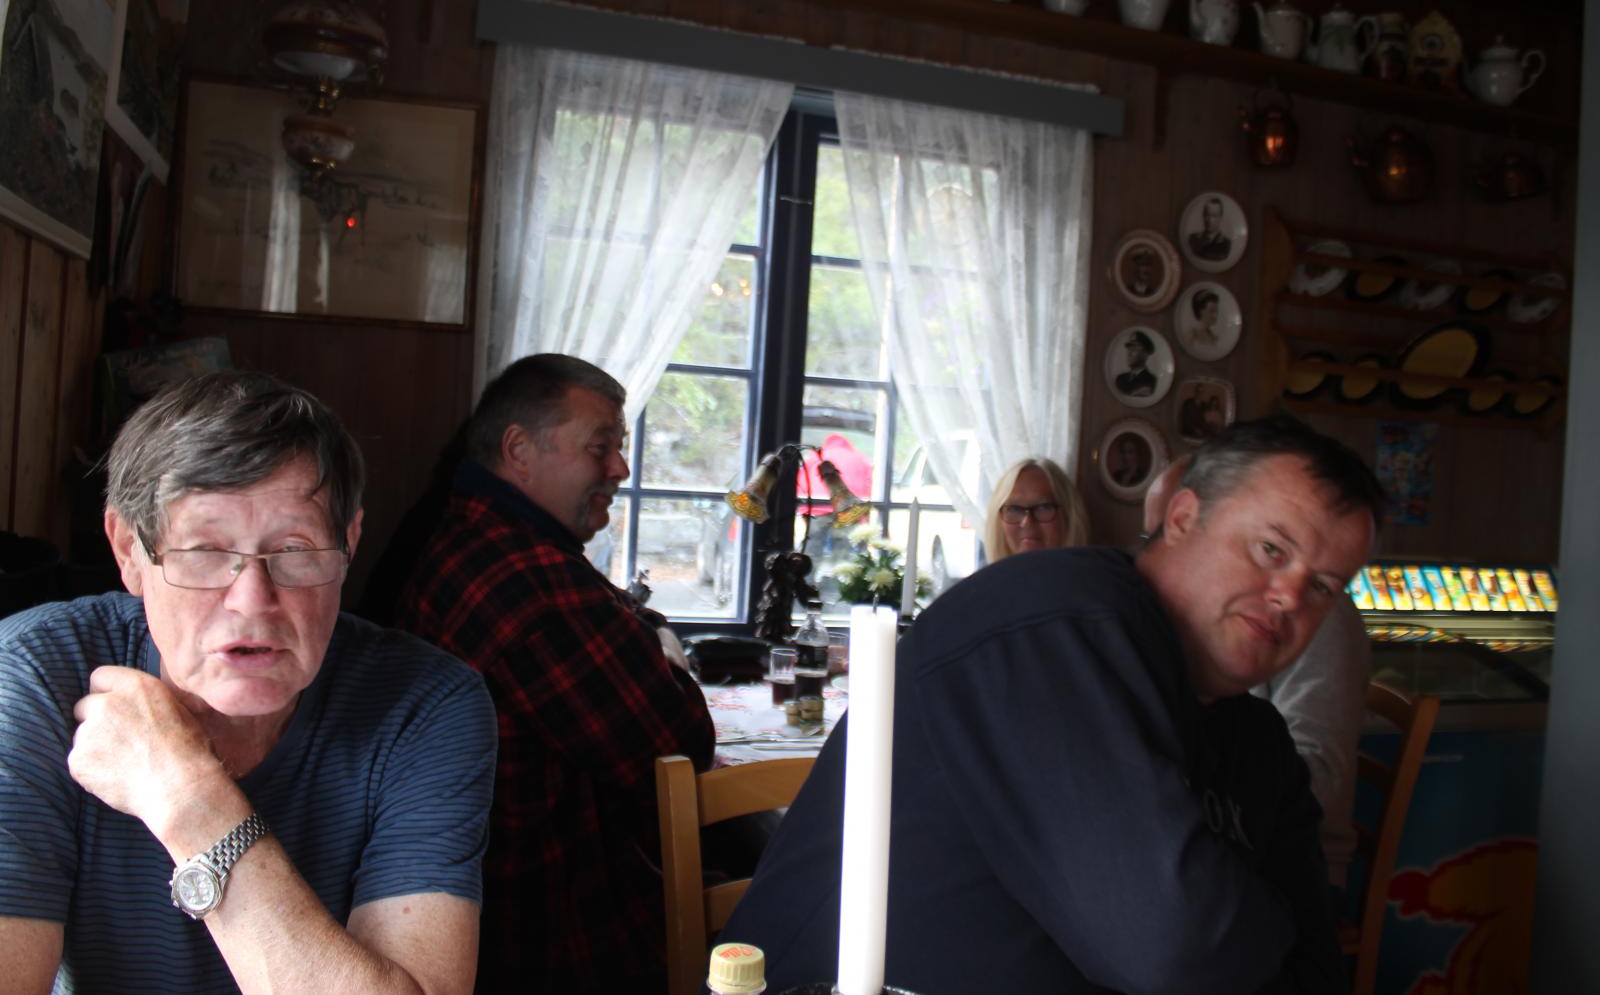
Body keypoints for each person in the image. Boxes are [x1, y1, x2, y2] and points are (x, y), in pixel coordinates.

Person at [721, 414, 1382, 993]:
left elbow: (1317, 972)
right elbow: (1167, 944)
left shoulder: (1260, 743)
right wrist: (1260, 918)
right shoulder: (1055, 621)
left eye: (1324, 586)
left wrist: (1223, 914)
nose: (1290, 596)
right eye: (1271, 550)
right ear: (1182, 518)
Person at [0, 372, 497, 994]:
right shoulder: (31, 674)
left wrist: (191, 798)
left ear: (347, 545)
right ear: (129, 552)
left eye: (293, 549)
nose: (253, 600)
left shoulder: (426, 705)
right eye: (205, 550)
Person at [395, 353, 715, 995]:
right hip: (561, 941)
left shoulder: (468, 535)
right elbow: (681, 749)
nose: (620, 468)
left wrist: (642, 632)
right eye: (601, 447)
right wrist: (659, 643)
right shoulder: (529, 581)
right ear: (519, 450)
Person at [1144, 452, 1372, 893]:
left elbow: (1321, 780)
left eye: (1270, 549)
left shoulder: (1313, 614)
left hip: (1291, 869)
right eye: (1149, 538)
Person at [981, 456, 1090, 564]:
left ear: (1069, 515)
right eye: (1015, 509)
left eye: (1043, 507)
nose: (1027, 521)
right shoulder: (985, 576)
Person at [1114, 330, 1158, 398]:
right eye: (1129, 348)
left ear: (1145, 354)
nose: (1129, 353)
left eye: (1134, 347)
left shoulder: (1151, 381)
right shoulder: (1120, 379)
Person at [1188, 196, 1232, 262]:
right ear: (1203, 216)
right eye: (1207, 215)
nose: (1210, 220)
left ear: (1220, 217)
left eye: (1214, 216)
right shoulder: (1193, 239)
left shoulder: (1226, 244)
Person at [1187, 287, 1222, 352]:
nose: (1215, 315)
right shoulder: (1192, 335)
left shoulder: (1212, 335)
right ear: (1201, 311)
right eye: (1212, 311)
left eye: (1216, 311)